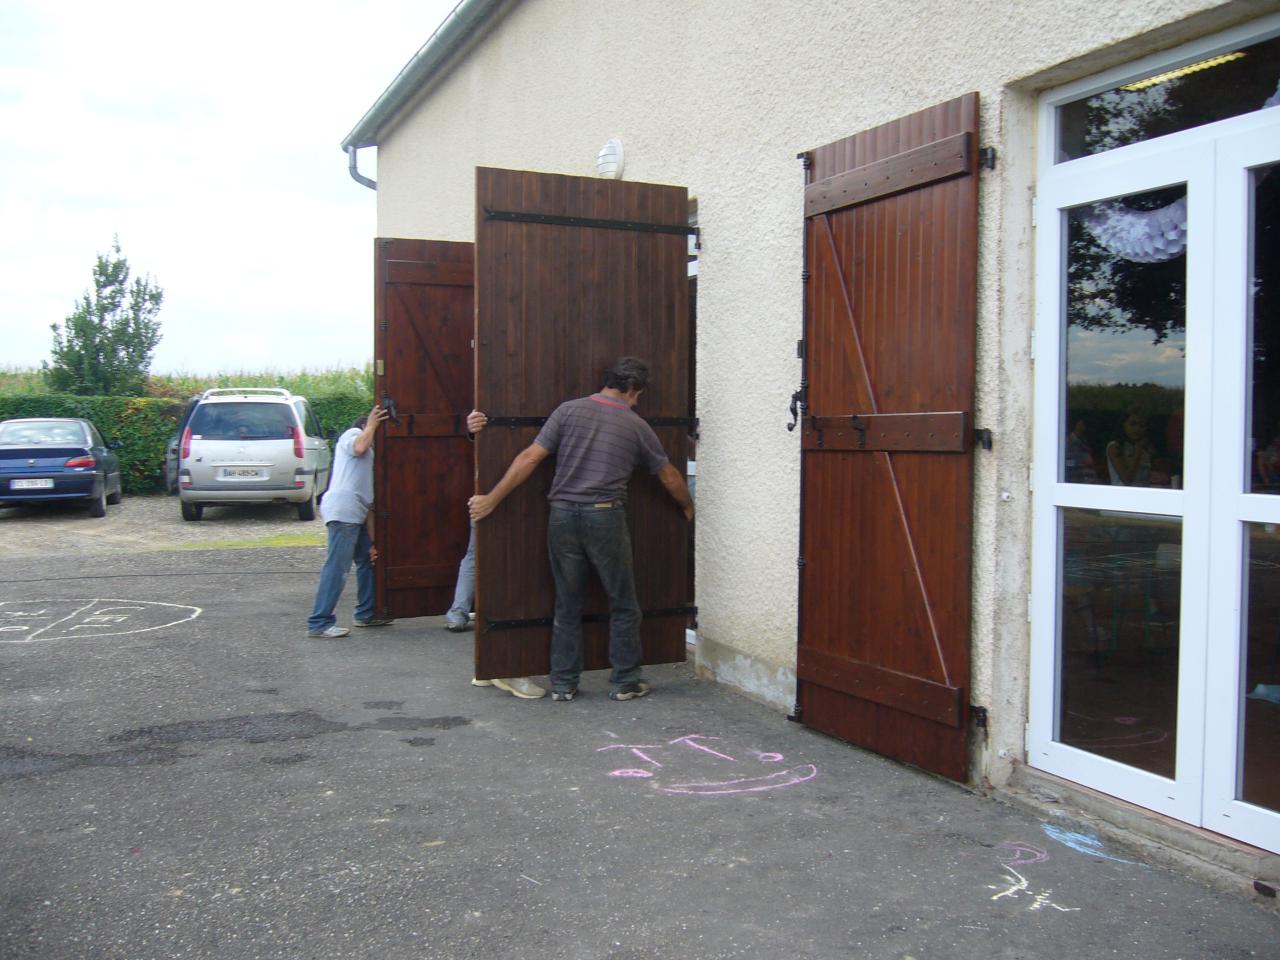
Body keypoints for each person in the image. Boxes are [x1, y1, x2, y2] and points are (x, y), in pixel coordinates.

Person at [469, 357, 695, 702]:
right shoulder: (635, 426)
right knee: (623, 603)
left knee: (567, 603)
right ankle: (625, 682)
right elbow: (669, 475)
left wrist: (492, 499)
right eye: (639, 395)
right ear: (632, 389)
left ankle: (564, 684)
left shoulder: (568, 411)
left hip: (561, 516)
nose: (638, 402)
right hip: (604, 517)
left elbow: (530, 458)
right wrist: (687, 505)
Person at [445, 410, 547, 699]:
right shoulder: (500, 399)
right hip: (505, 500)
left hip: (505, 498)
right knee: (505, 573)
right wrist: (471, 429)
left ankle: (490, 664)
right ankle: (505, 664)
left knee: (483, 564)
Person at [306, 405, 392, 638]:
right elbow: (361, 446)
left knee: (367, 559)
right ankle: (319, 622)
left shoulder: (366, 466)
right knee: (337, 568)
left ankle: (366, 614)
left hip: (354, 513)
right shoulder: (352, 435)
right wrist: (372, 425)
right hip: (344, 512)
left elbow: (368, 508)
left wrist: (373, 543)